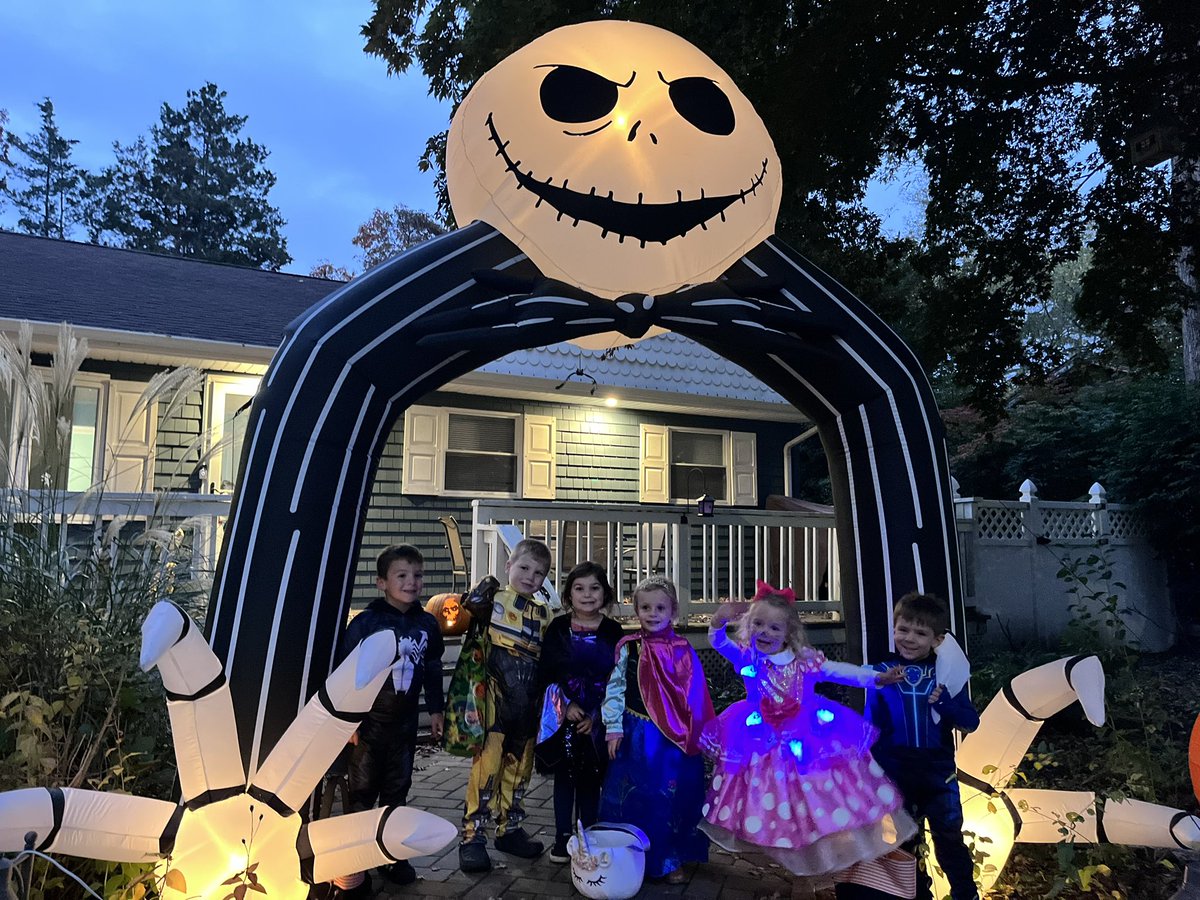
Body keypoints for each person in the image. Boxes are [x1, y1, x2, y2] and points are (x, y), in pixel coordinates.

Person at [700, 580, 917, 878]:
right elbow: (718, 641)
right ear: (750, 625)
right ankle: (782, 859)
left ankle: (812, 865)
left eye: (774, 628)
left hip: (806, 738)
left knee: (810, 799)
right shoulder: (748, 656)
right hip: (759, 740)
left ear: (789, 633)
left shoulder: (805, 662)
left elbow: (841, 672)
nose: (765, 632)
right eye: (759, 624)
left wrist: (877, 678)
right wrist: (719, 620)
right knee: (768, 801)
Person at [337, 544, 445, 896]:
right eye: (402, 575)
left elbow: (430, 668)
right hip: (368, 725)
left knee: (397, 790)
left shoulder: (427, 623)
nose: (412, 582)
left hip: (404, 725)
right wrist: (348, 721)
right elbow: (347, 673)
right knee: (362, 791)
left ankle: (391, 854)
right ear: (381, 582)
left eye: (417, 575)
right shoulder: (366, 623)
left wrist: (436, 709)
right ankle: (355, 861)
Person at [865, 592, 981, 900]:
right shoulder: (881, 672)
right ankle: (917, 895)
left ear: (937, 639)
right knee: (903, 844)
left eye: (920, 632)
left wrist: (945, 703)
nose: (910, 638)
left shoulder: (945, 674)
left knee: (949, 840)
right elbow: (870, 726)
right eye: (903, 629)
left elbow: (971, 722)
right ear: (894, 629)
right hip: (896, 774)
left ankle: (965, 894)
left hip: (938, 776)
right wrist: (868, 770)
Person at [599, 576, 714, 884]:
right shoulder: (629, 647)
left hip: (673, 739)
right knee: (638, 795)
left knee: (670, 795)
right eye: (645, 607)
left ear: (672, 611)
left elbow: (695, 694)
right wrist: (613, 727)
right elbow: (615, 688)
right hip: (636, 734)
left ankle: (670, 856)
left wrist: (699, 732)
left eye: (660, 607)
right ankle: (629, 854)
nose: (652, 613)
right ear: (636, 610)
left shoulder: (682, 649)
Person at [457, 538, 554, 873]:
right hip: (495, 706)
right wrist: (482, 591)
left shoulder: (546, 613)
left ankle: (509, 828)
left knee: (519, 771)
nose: (530, 576)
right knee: (487, 770)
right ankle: (472, 835)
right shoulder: (493, 600)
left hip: (527, 707)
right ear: (508, 566)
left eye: (539, 572)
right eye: (524, 567)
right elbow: (469, 607)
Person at [536, 561, 625, 862]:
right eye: (579, 588)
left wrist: (597, 715)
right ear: (568, 595)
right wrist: (567, 705)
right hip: (564, 716)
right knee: (565, 778)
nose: (587, 595)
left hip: (598, 718)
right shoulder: (558, 629)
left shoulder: (614, 631)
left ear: (606, 594)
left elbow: (619, 676)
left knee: (591, 779)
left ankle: (590, 834)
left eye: (595, 588)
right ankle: (563, 837)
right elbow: (547, 671)